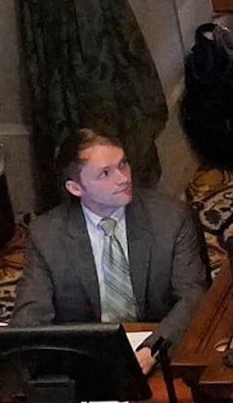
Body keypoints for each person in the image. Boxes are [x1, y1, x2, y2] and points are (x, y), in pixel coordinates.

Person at [11, 128, 211, 371]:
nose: (123, 178)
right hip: (85, 360)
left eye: (123, 164)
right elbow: (30, 316)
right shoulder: (46, 234)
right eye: (105, 173)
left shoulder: (170, 218)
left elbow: (194, 297)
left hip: (160, 349)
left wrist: (152, 350)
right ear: (76, 188)